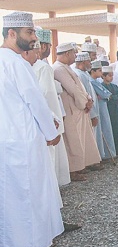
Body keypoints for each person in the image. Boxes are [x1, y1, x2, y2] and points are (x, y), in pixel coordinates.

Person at [0, 11, 64, 247]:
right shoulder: (16, 62)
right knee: (29, 192)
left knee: (11, 195)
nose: (34, 38)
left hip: (7, 138)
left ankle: (11, 244)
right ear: (12, 34)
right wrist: (51, 131)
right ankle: (32, 243)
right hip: (24, 138)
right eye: (30, 32)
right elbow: (34, 101)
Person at [53, 44, 101, 181]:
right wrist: (85, 102)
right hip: (71, 109)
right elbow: (72, 89)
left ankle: (82, 165)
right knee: (72, 141)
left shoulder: (66, 68)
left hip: (79, 108)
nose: (75, 56)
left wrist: (88, 99)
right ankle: (73, 170)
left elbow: (80, 88)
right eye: (73, 53)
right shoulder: (58, 69)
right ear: (67, 53)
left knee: (81, 139)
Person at [32, 30, 70, 186]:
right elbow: (48, 94)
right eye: (48, 46)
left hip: (41, 117)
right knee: (52, 157)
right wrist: (55, 120)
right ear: (42, 46)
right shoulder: (41, 67)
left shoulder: (43, 64)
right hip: (49, 117)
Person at [89, 60, 117, 161]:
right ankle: (103, 154)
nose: (101, 73)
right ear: (93, 71)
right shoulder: (91, 81)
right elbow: (105, 94)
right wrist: (106, 95)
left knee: (106, 128)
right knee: (103, 128)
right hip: (99, 107)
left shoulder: (96, 81)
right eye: (100, 70)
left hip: (102, 105)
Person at [101, 66, 118, 156]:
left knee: (117, 129)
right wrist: (110, 97)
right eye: (109, 75)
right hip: (107, 110)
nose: (111, 77)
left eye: (112, 75)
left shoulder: (114, 86)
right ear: (103, 76)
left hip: (115, 110)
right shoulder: (101, 86)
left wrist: (112, 97)